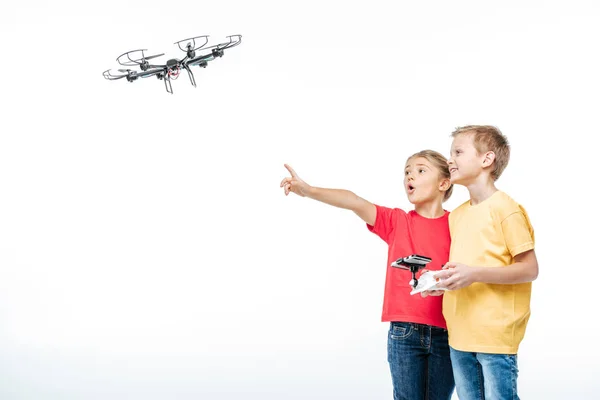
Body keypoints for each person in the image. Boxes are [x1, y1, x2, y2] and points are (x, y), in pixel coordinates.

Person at [280, 150, 455, 400]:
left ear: (444, 183)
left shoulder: (458, 224)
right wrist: (308, 190)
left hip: (447, 331)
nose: (410, 176)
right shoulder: (396, 220)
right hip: (404, 332)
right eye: (406, 171)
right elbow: (354, 201)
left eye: (420, 170)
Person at [424, 125, 539, 400]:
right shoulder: (458, 215)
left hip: (495, 336)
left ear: (486, 160)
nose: (450, 159)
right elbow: (466, 268)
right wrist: (443, 282)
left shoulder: (505, 209)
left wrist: (473, 274)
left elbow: (529, 269)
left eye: (458, 152)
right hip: (460, 333)